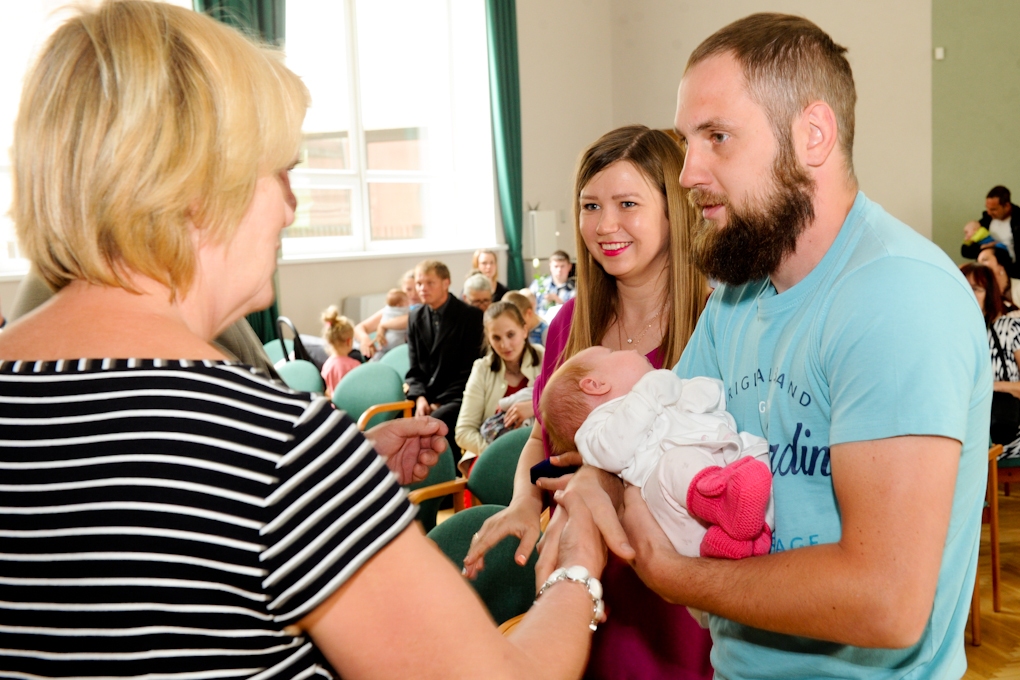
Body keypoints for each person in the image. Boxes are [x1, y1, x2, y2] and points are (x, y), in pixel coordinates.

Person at [0, 3, 611, 679]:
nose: (292, 208)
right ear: (199, 189)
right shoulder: (273, 446)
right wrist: (577, 564)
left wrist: (334, 486)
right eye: (281, 172)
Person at [567, 14, 986, 680]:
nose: (688, 172)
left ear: (811, 135)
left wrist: (681, 577)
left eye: (717, 138)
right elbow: (656, 421)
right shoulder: (739, 294)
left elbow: (886, 602)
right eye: (686, 140)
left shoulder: (898, 298)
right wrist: (593, 479)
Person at [465, 125, 712, 680]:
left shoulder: (713, 325)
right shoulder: (570, 324)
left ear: (673, 209)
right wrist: (526, 502)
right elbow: (538, 437)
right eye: (590, 205)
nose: (605, 225)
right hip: (584, 573)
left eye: (628, 204)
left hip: (676, 585)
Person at [541, 346, 773, 561]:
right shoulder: (596, 427)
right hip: (679, 503)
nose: (631, 349)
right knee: (676, 463)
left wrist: (694, 391)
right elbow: (613, 453)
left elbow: (714, 396)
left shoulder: (663, 395)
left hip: (726, 460)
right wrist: (649, 390)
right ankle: (726, 508)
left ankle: (749, 535)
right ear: (595, 385)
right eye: (612, 352)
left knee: (758, 451)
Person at [406, 260, 485, 466]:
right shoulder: (415, 317)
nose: (423, 288)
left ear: (446, 283)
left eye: (430, 283)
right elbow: (414, 368)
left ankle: (447, 485)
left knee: (434, 423)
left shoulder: (470, 316)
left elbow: (470, 370)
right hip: (427, 396)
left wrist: (438, 402)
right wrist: (420, 397)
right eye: (419, 283)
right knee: (397, 423)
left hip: (460, 395)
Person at [455, 301, 543, 474]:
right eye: (496, 338)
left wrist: (535, 407)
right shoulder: (481, 369)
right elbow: (463, 431)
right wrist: (498, 453)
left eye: (511, 335)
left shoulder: (544, 357)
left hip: (539, 453)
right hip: (493, 456)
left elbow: (563, 406)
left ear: (524, 330)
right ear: (488, 338)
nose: (504, 345)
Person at [962, 263, 1020, 447]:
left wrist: (990, 386)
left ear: (990, 294)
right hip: (967, 428)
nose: (968, 293)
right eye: (963, 286)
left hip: (1008, 429)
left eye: (976, 289)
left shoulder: (1009, 329)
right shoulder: (954, 334)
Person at [352, 271, 419, 360]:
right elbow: (359, 328)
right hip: (382, 350)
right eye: (409, 289)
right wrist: (365, 340)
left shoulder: (424, 311)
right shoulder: (391, 310)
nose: (413, 294)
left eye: (417, 289)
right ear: (401, 290)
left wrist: (382, 325)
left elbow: (410, 319)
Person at [962, 186, 1020, 265]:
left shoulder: (1017, 222)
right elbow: (966, 250)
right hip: (986, 267)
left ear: (1007, 206)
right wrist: (985, 248)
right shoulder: (987, 220)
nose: (989, 212)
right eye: (987, 208)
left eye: (993, 209)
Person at [320, 305, 361, 397]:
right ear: (349, 341)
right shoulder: (354, 365)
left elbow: (328, 391)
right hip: (352, 407)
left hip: (335, 407)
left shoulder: (327, 364)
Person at [976, 243, 1020, 315]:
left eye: (985, 260)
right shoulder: (984, 295)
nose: (980, 266)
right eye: (978, 262)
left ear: (1001, 266)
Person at [530, 249, 575, 316]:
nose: (559, 270)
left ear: (569, 267)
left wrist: (560, 302)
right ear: (550, 266)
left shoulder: (575, 289)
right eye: (556, 266)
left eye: (562, 266)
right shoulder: (539, 284)